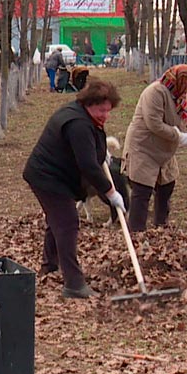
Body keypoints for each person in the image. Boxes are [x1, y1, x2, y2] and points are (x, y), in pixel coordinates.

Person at [22, 79, 125, 299]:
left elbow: (92, 145)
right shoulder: (77, 123)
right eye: (101, 110)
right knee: (67, 222)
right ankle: (74, 283)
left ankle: (50, 266)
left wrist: (101, 151)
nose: (105, 115)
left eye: (108, 110)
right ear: (89, 104)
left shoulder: (84, 115)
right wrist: (110, 193)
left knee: (57, 220)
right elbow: (87, 165)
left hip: (57, 175)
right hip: (47, 177)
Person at [122, 64, 187, 232]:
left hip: (164, 151)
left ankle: (161, 229)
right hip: (143, 148)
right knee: (142, 191)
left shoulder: (184, 96)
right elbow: (153, 123)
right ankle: (136, 234)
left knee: (167, 186)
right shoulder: (155, 92)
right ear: (180, 81)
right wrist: (178, 136)